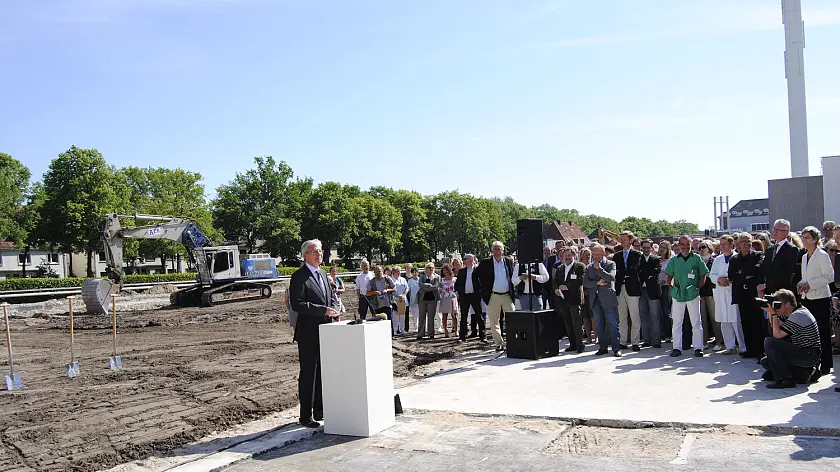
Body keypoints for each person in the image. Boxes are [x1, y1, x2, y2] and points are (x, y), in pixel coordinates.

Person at [289, 239, 339, 428]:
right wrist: (322, 310)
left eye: (320, 251)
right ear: (305, 255)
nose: (319, 254)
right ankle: (305, 415)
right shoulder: (299, 277)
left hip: (325, 331)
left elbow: (331, 298)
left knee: (322, 373)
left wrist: (334, 310)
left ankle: (320, 409)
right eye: (314, 251)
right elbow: (298, 304)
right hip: (308, 333)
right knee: (309, 373)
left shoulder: (324, 275)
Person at [760, 289, 822, 389]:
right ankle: (804, 374)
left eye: (778, 305)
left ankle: (786, 380)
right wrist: (772, 313)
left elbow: (777, 335)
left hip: (809, 355)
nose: (777, 308)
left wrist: (774, 314)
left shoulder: (799, 315)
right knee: (765, 362)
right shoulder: (793, 312)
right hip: (802, 352)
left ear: (787, 304)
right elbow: (776, 327)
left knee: (769, 342)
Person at [797, 226, 835, 376]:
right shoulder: (804, 256)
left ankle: (826, 364)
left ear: (814, 240)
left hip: (820, 298)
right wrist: (801, 284)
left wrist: (810, 285)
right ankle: (814, 361)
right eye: (803, 238)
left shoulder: (822, 255)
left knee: (823, 332)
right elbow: (805, 276)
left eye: (807, 238)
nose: (804, 241)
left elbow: (829, 276)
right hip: (807, 298)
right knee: (810, 333)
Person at [665, 235, 709, 358]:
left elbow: (703, 274)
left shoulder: (696, 259)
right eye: (682, 245)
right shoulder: (674, 260)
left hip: (692, 293)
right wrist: (671, 289)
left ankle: (698, 348)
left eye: (687, 245)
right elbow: (669, 276)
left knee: (696, 322)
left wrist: (698, 287)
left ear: (690, 246)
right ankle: (676, 347)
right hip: (678, 293)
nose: (685, 247)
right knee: (677, 322)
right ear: (678, 245)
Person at [729, 232, 766, 359]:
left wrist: (741, 273)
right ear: (738, 243)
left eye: (749, 241)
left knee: (757, 323)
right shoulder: (734, 259)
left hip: (754, 293)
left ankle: (759, 351)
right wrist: (746, 274)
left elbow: (756, 270)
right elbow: (732, 276)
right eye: (744, 241)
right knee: (745, 322)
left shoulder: (758, 255)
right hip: (741, 294)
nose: (747, 244)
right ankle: (749, 349)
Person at [476, 241, 516, 352]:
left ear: (503, 250)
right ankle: (499, 343)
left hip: (507, 295)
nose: (498, 252)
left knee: (512, 319)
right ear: (492, 250)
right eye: (495, 249)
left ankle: (512, 342)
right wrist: (481, 290)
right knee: (494, 322)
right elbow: (476, 275)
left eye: (500, 249)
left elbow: (512, 276)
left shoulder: (508, 261)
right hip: (493, 296)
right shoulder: (485, 263)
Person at [709, 235, 745, 355]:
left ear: (731, 245)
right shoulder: (718, 259)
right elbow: (711, 274)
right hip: (720, 292)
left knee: (736, 320)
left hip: (732, 291)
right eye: (721, 244)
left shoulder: (737, 257)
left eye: (725, 244)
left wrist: (729, 280)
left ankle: (742, 346)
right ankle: (730, 346)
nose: (722, 246)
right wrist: (719, 279)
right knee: (724, 320)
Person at [584, 244, 622, 357]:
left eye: (598, 255)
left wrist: (599, 270)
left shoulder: (611, 264)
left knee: (613, 324)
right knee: (599, 324)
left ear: (603, 253)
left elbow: (611, 278)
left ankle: (616, 348)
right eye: (594, 255)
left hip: (608, 299)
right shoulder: (589, 267)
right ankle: (603, 347)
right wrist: (596, 284)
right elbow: (585, 283)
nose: (596, 257)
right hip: (595, 300)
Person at [614, 231, 643, 351]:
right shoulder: (617, 255)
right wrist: (624, 273)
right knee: (622, 317)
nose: (622, 241)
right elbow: (616, 272)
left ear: (631, 240)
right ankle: (623, 341)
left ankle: (635, 342)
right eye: (621, 239)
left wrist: (623, 273)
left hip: (633, 288)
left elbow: (634, 270)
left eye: (624, 239)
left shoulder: (637, 254)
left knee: (634, 316)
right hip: (620, 288)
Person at [554, 247, 586, 353]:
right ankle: (572, 344)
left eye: (569, 255)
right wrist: (556, 289)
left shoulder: (580, 266)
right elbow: (555, 281)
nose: (567, 257)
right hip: (563, 300)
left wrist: (568, 286)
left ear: (574, 255)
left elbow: (581, 279)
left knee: (577, 323)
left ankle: (580, 345)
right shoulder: (560, 268)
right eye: (565, 255)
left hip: (575, 299)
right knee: (568, 323)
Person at [758, 219, 801, 298]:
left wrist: (766, 284)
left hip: (782, 293)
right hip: (768, 292)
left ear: (786, 232)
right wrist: (761, 287)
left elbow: (787, 272)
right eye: (774, 229)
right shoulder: (770, 249)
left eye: (778, 230)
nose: (775, 232)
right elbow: (763, 269)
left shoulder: (791, 249)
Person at [697, 241, 723, 351]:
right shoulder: (697, 260)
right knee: (702, 318)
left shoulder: (714, 259)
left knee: (714, 317)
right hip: (700, 291)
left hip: (711, 291)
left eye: (704, 247)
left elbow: (712, 274)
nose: (702, 249)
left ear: (709, 248)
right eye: (700, 247)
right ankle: (704, 341)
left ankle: (718, 341)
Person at [455, 253, 486, 343]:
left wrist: (480, 291)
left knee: (479, 316)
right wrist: (458, 292)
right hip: (465, 296)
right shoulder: (462, 271)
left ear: (471, 260)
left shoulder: (478, 270)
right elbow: (457, 284)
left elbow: (482, 281)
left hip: (475, 295)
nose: (464, 260)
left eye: (466, 259)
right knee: (463, 316)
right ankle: (462, 336)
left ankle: (483, 336)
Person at [638, 239, 662, 348]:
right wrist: (646, 273)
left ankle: (656, 341)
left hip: (653, 291)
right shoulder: (638, 259)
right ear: (642, 248)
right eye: (644, 248)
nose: (646, 250)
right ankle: (646, 340)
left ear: (652, 248)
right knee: (643, 317)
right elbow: (637, 272)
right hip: (640, 291)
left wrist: (644, 272)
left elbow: (656, 271)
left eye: (648, 248)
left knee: (655, 317)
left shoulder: (656, 259)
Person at [416, 263, 441, 340]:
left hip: (432, 299)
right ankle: (420, 334)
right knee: (421, 317)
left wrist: (426, 286)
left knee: (431, 317)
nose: (431, 269)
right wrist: (429, 286)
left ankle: (431, 334)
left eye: (432, 268)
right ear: (426, 269)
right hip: (422, 299)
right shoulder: (422, 276)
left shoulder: (437, 277)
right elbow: (420, 284)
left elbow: (436, 287)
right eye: (429, 268)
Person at [579, 248, 596, 344]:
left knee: (593, 316)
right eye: (586, 254)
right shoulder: (579, 266)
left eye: (589, 254)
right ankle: (588, 337)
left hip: (592, 294)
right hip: (583, 294)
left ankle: (596, 337)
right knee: (585, 317)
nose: (588, 256)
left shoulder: (593, 266)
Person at [658, 241, 673, 343]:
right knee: (658, 312)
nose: (662, 249)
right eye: (660, 247)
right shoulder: (656, 260)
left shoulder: (671, 260)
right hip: (656, 287)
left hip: (666, 287)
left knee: (665, 311)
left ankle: (668, 334)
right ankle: (660, 333)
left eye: (664, 247)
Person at [438, 263, 458, 338]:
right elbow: (439, 290)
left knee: (454, 315)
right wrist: (443, 293)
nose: (445, 272)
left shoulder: (454, 280)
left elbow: (457, 289)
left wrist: (454, 294)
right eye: (444, 271)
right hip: (445, 298)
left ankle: (456, 330)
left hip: (453, 298)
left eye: (447, 270)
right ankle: (446, 330)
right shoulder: (441, 280)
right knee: (445, 315)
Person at [391, 266, 409, 335]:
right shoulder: (391, 280)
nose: (398, 273)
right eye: (397, 271)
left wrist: (404, 295)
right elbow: (392, 290)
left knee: (402, 315)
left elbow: (407, 288)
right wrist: (398, 296)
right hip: (395, 300)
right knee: (395, 316)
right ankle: (395, 330)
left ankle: (402, 329)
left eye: (399, 271)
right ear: (393, 272)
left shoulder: (403, 279)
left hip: (403, 300)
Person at [407, 267, 420, 332]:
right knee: (415, 315)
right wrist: (409, 300)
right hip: (413, 300)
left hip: (421, 300)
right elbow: (409, 292)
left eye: (416, 272)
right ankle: (416, 327)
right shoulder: (409, 281)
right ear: (411, 273)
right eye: (413, 272)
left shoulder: (421, 280)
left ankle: (424, 327)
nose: (415, 273)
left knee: (422, 314)